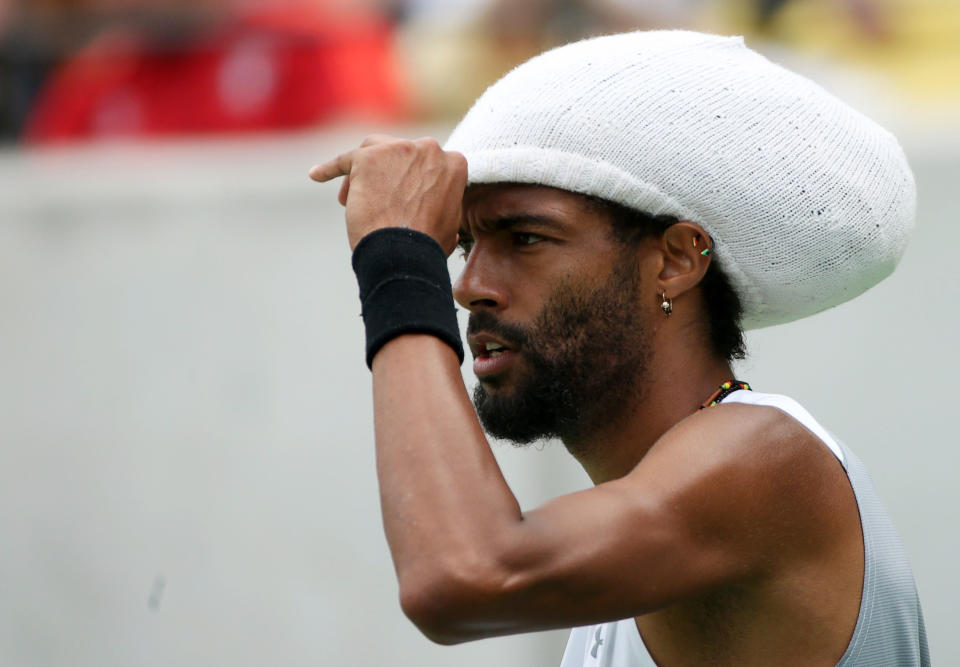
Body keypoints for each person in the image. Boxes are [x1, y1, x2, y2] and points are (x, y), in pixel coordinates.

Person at [310, 30, 928, 666]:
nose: (468, 287)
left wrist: (399, 265)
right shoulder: (646, 526)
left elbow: (462, 576)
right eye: (465, 244)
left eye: (524, 238)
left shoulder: (764, 455)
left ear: (677, 261)